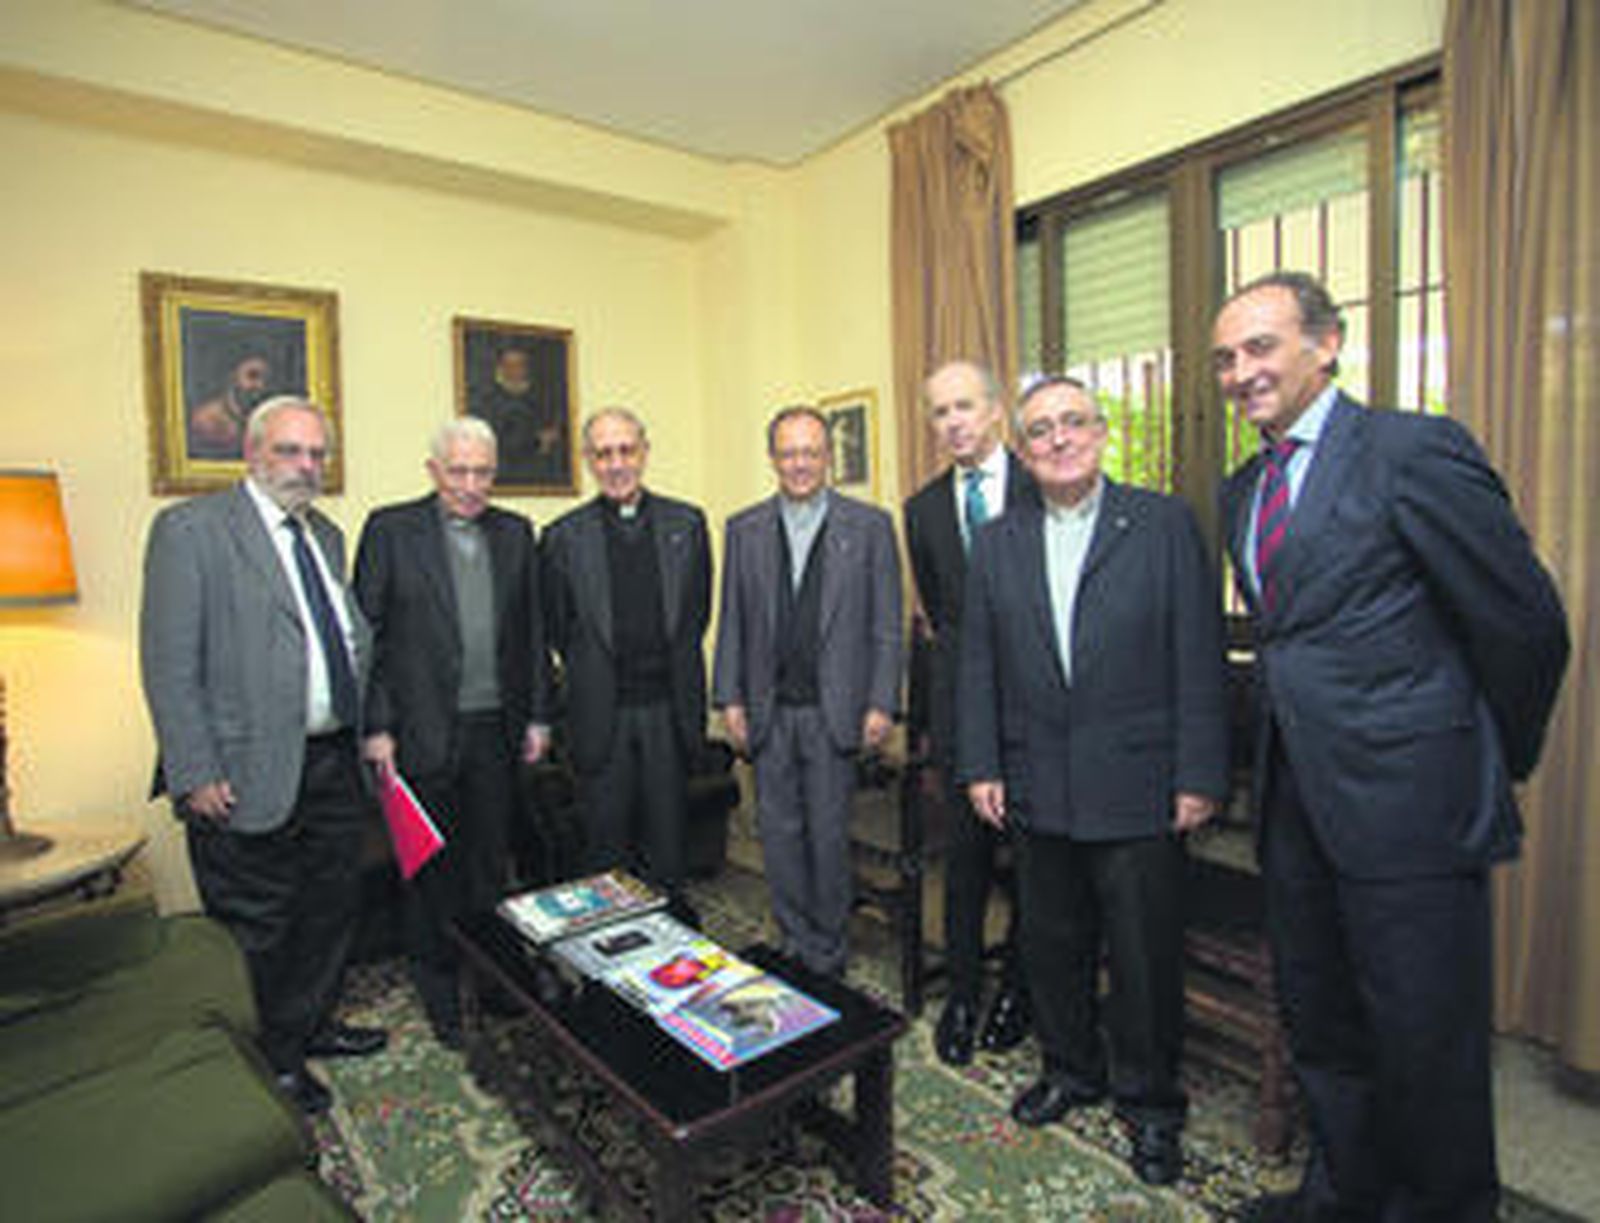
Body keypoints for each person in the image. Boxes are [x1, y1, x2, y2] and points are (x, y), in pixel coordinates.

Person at [1213, 271, 1569, 1222]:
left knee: (1426, 1041)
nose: (1240, 371)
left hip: (1413, 806)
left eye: (1261, 347)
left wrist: (1484, 757)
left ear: (1326, 344)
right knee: (1324, 1021)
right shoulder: (1244, 486)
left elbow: (1525, 622)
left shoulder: (1412, 450)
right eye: (1226, 357)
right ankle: (1343, 1193)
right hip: (1296, 804)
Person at [958, 376, 1228, 1186]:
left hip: (1141, 785)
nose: (1058, 439)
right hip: (1037, 784)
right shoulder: (1000, 541)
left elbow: (1199, 656)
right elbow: (978, 663)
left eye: (1074, 422)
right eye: (1040, 430)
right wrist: (981, 763)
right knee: (1051, 942)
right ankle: (1072, 1069)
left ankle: (1151, 1105)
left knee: (1144, 958)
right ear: (1023, 447)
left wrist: (1198, 772)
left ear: (1102, 432)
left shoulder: (1162, 523)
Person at [140, 396, 387, 1116]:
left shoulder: (327, 537)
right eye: (290, 451)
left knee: (331, 907)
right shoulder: (193, 531)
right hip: (240, 773)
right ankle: (272, 1059)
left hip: (332, 760)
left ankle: (310, 1023)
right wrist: (193, 769)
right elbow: (168, 662)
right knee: (260, 925)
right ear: (251, 452)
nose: (306, 466)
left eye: (316, 454)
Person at [353, 416, 550, 1046]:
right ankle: (439, 992)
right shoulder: (390, 530)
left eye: (483, 472)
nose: (471, 485)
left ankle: (494, 983)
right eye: (458, 471)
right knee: (431, 873)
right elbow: (367, 640)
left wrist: (540, 715)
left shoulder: (518, 533)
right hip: (420, 735)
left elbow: (534, 635)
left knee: (492, 867)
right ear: (434, 469)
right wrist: (377, 726)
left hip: (497, 730)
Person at [712, 406, 903, 977]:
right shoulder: (744, 529)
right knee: (779, 835)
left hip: (835, 711)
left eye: (811, 452)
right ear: (772, 458)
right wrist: (731, 700)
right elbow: (733, 622)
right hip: (769, 711)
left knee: (826, 834)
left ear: (828, 458)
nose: (799, 463)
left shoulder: (869, 527)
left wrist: (881, 701)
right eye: (788, 452)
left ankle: (829, 950)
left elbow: (886, 626)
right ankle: (794, 940)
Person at [904, 360, 1036, 1066]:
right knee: (964, 866)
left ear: (994, 410)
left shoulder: (1040, 483)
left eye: (964, 406)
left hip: (1039, 715)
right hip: (963, 715)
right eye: (939, 411)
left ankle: (1019, 990)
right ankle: (961, 995)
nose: (952, 421)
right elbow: (943, 619)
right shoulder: (921, 509)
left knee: (1036, 870)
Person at [541, 408, 711, 912]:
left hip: (668, 712)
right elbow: (557, 629)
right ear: (588, 460)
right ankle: (607, 970)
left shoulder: (688, 524)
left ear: (644, 451)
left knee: (668, 850)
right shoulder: (561, 538)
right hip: (600, 717)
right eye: (603, 453)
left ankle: (669, 961)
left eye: (626, 450)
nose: (616, 464)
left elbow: (695, 618)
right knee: (604, 854)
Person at [473, 346, 568, 488]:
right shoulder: (488, 402)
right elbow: (495, 442)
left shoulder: (543, 398)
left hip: (542, 477)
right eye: (509, 365)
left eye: (519, 365)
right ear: (500, 369)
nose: (514, 370)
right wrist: (537, 440)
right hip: (504, 476)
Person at [188, 351, 271, 461]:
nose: (260, 386)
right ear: (232, 376)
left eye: (264, 379)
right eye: (252, 376)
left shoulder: (269, 416)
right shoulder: (207, 419)